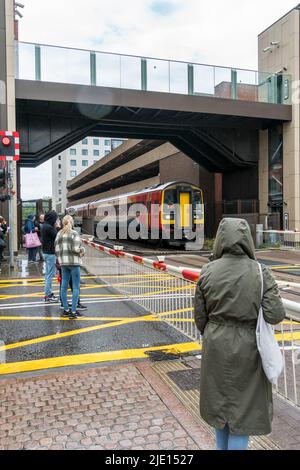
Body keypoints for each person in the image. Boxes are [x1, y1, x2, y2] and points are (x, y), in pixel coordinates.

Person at [194, 218, 285, 451]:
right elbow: (275, 315)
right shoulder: (261, 273)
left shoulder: (207, 271)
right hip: (249, 349)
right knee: (242, 414)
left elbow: (200, 318)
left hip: (215, 345)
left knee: (219, 408)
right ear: (247, 240)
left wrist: (216, 332)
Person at [55, 215, 85, 319]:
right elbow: (76, 249)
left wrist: (61, 260)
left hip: (64, 264)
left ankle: (66, 310)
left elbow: (57, 249)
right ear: (71, 222)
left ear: (63, 223)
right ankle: (73, 311)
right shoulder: (74, 233)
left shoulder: (59, 233)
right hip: (74, 263)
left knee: (63, 287)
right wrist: (82, 250)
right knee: (76, 287)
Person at [42, 211, 59, 303]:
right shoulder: (49, 227)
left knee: (48, 274)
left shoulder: (45, 226)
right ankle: (48, 295)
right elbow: (57, 236)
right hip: (50, 253)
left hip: (46, 252)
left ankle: (49, 293)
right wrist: (57, 227)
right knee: (49, 275)